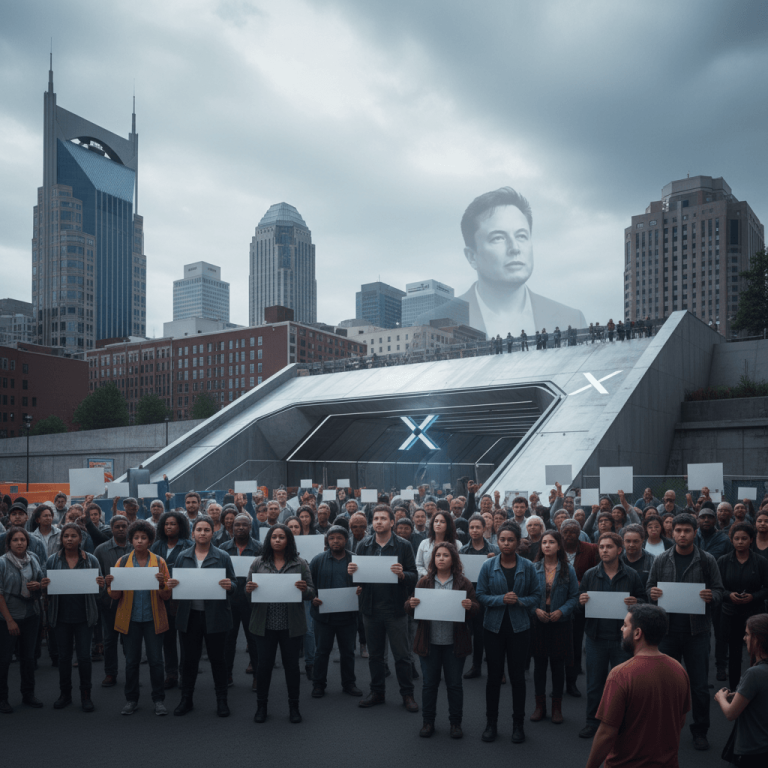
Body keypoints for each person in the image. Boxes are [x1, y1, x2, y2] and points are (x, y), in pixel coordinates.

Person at [412, 187, 586, 336]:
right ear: (472, 257)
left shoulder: (572, 319)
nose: (515, 247)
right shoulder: (430, 323)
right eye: (498, 238)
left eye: (521, 236)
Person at [647, 512, 725, 751]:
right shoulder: (661, 559)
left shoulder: (707, 560)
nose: (682, 534)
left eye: (687, 531)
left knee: (699, 686)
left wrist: (713, 597)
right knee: (664, 684)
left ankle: (700, 731)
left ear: (694, 533)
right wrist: (652, 594)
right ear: (672, 532)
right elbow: (649, 587)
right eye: (678, 531)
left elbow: (721, 591)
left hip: (697, 633)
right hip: (667, 633)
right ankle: (663, 728)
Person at [585, 605, 691, 768]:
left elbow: (607, 734)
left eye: (626, 625)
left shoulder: (620, 674)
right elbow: (680, 721)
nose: (621, 628)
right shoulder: (679, 669)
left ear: (637, 633)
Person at [476, 520, 542, 743]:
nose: (506, 543)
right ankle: (491, 723)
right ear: (497, 541)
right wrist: (500, 599)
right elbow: (480, 595)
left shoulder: (528, 566)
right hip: (493, 628)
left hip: (520, 628)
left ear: (517, 542)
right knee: (493, 678)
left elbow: (536, 597)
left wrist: (520, 601)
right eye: (502, 539)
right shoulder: (488, 566)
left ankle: (518, 725)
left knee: (518, 678)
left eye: (510, 540)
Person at [349, 504, 419, 712]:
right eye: (376, 519)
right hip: (370, 609)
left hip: (395, 609)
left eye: (383, 518)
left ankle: (407, 695)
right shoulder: (363, 545)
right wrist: (352, 573)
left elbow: (414, 576)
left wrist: (403, 575)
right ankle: (377, 692)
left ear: (392, 522)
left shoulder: (404, 546)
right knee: (376, 656)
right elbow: (357, 581)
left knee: (403, 656)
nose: (378, 522)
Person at [407, 542, 479, 739]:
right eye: (438, 555)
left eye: (446, 555)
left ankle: (455, 723)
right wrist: (411, 604)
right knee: (429, 685)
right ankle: (428, 722)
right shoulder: (424, 582)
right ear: (433, 559)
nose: (441, 558)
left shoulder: (464, 583)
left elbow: (476, 610)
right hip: (429, 642)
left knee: (454, 685)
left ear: (453, 559)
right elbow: (410, 607)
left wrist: (470, 606)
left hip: (454, 643)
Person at [578, 532, 645, 739]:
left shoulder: (632, 574)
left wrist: (637, 603)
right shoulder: (590, 575)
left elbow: (643, 599)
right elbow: (579, 607)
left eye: (609, 547)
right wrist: (581, 601)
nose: (604, 550)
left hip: (622, 640)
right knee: (595, 683)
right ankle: (592, 722)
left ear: (619, 550)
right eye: (601, 547)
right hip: (596, 637)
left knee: (623, 684)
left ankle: (623, 722)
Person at [167, 515, 236, 718]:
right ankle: (186, 699)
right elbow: (177, 583)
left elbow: (234, 583)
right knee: (189, 660)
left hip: (216, 616)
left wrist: (230, 586)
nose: (203, 533)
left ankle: (222, 701)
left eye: (206, 530)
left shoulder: (222, 556)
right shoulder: (183, 556)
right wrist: (172, 585)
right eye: (199, 530)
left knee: (218, 660)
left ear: (212, 533)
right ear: (193, 533)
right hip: (190, 616)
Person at [247, 524, 315, 724]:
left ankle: (294, 707)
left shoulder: (300, 563)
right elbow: (248, 594)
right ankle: (261, 707)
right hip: (264, 624)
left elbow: (312, 592)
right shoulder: (258, 563)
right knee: (263, 667)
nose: (277, 540)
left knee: (292, 667)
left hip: (290, 624)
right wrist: (249, 589)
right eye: (274, 537)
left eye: (281, 537)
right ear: (269, 540)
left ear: (288, 540)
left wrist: (304, 589)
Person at [106, 519, 172, 716]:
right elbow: (115, 596)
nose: (140, 541)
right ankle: (131, 699)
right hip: (130, 618)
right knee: (131, 661)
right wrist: (111, 585)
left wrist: (162, 584)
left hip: (153, 618)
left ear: (150, 540)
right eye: (136, 538)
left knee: (156, 661)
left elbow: (167, 595)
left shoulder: (159, 562)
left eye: (144, 538)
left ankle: (158, 700)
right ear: (131, 540)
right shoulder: (122, 562)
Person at [43, 522, 104, 712]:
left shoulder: (91, 559)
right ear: (61, 539)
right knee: (64, 658)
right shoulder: (53, 560)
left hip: (84, 616)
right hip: (60, 616)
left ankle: (86, 695)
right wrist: (45, 584)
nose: (69, 539)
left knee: (84, 657)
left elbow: (99, 591)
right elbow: (46, 592)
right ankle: (65, 694)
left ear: (80, 539)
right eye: (66, 536)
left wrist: (100, 584)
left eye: (73, 536)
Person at [530, 531, 578, 725]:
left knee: (558, 666)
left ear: (559, 546)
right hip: (539, 622)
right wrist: (535, 610)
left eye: (551, 542)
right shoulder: (533, 568)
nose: (547, 545)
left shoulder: (568, 569)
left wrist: (562, 611)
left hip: (560, 622)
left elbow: (574, 596)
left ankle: (556, 707)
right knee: (539, 666)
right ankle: (539, 706)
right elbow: (525, 595)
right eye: (544, 542)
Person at [309, 525, 361, 698]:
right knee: (321, 651)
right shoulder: (317, 560)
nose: (336, 541)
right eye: (332, 538)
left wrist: (361, 589)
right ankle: (318, 684)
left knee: (348, 652)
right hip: (324, 616)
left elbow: (365, 583)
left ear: (346, 540)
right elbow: (310, 586)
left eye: (339, 538)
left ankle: (349, 683)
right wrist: (313, 597)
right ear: (327, 540)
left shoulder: (356, 560)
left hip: (348, 616)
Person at [716, 523, 768, 691]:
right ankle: (735, 691)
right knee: (735, 653)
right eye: (736, 538)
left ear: (751, 540)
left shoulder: (761, 562)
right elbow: (717, 587)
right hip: (730, 614)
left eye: (744, 538)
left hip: (754, 614)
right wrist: (728, 595)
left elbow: (766, 588)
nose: (740, 542)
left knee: (758, 652)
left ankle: (757, 688)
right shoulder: (723, 561)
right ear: (731, 540)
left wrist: (754, 597)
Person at [0, 526, 44, 713]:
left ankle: (28, 694)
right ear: (9, 543)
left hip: (30, 615)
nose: (19, 543)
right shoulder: (2, 563)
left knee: (28, 658)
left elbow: (42, 582)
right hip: (7, 618)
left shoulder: (33, 559)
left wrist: (39, 585)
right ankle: (2, 699)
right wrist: (9, 620)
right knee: (3, 660)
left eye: (22, 540)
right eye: (15, 540)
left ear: (27, 542)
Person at [714, 613, 768, 767]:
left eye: (747, 634)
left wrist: (721, 698)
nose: (744, 638)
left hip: (751, 750)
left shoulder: (754, 674)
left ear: (757, 639)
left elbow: (731, 713)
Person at [219, 513, 262, 691]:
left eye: (244, 525)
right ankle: (227, 674)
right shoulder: (223, 548)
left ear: (250, 527)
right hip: (229, 600)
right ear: (232, 527)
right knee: (228, 640)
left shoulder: (259, 548)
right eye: (237, 525)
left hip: (252, 601)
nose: (240, 528)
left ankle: (257, 677)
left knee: (254, 640)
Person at [150, 510, 192, 689]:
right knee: (167, 639)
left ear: (180, 526)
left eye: (173, 524)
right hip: (161, 597)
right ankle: (172, 674)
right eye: (166, 524)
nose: (169, 526)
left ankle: (186, 673)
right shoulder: (156, 545)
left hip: (182, 598)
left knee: (185, 639)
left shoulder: (189, 545)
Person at [92, 514, 131, 688]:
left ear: (128, 527)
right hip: (109, 602)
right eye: (117, 527)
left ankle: (132, 673)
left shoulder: (136, 547)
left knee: (130, 640)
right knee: (109, 640)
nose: (121, 529)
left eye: (124, 526)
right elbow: (95, 576)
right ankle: (110, 673)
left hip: (132, 601)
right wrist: (102, 594)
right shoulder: (101, 550)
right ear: (111, 528)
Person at [459, 514, 499, 680]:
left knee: (483, 632)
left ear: (484, 529)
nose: (474, 530)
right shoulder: (462, 551)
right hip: (468, 594)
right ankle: (467, 664)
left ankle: (481, 665)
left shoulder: (494, 550)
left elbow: (501, 574)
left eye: (478, 527)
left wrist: (495, 560)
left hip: (487, 595)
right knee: (466, 630)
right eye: (471, 527)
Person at [416, 511, 457, 578]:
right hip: (427, 581)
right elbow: (418, 565)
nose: (438, 524)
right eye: (436, 521)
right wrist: (428, 576)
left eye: (442, 522)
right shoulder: (424, 543)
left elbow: (459, 566)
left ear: (448, 525)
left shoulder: (457, 544)